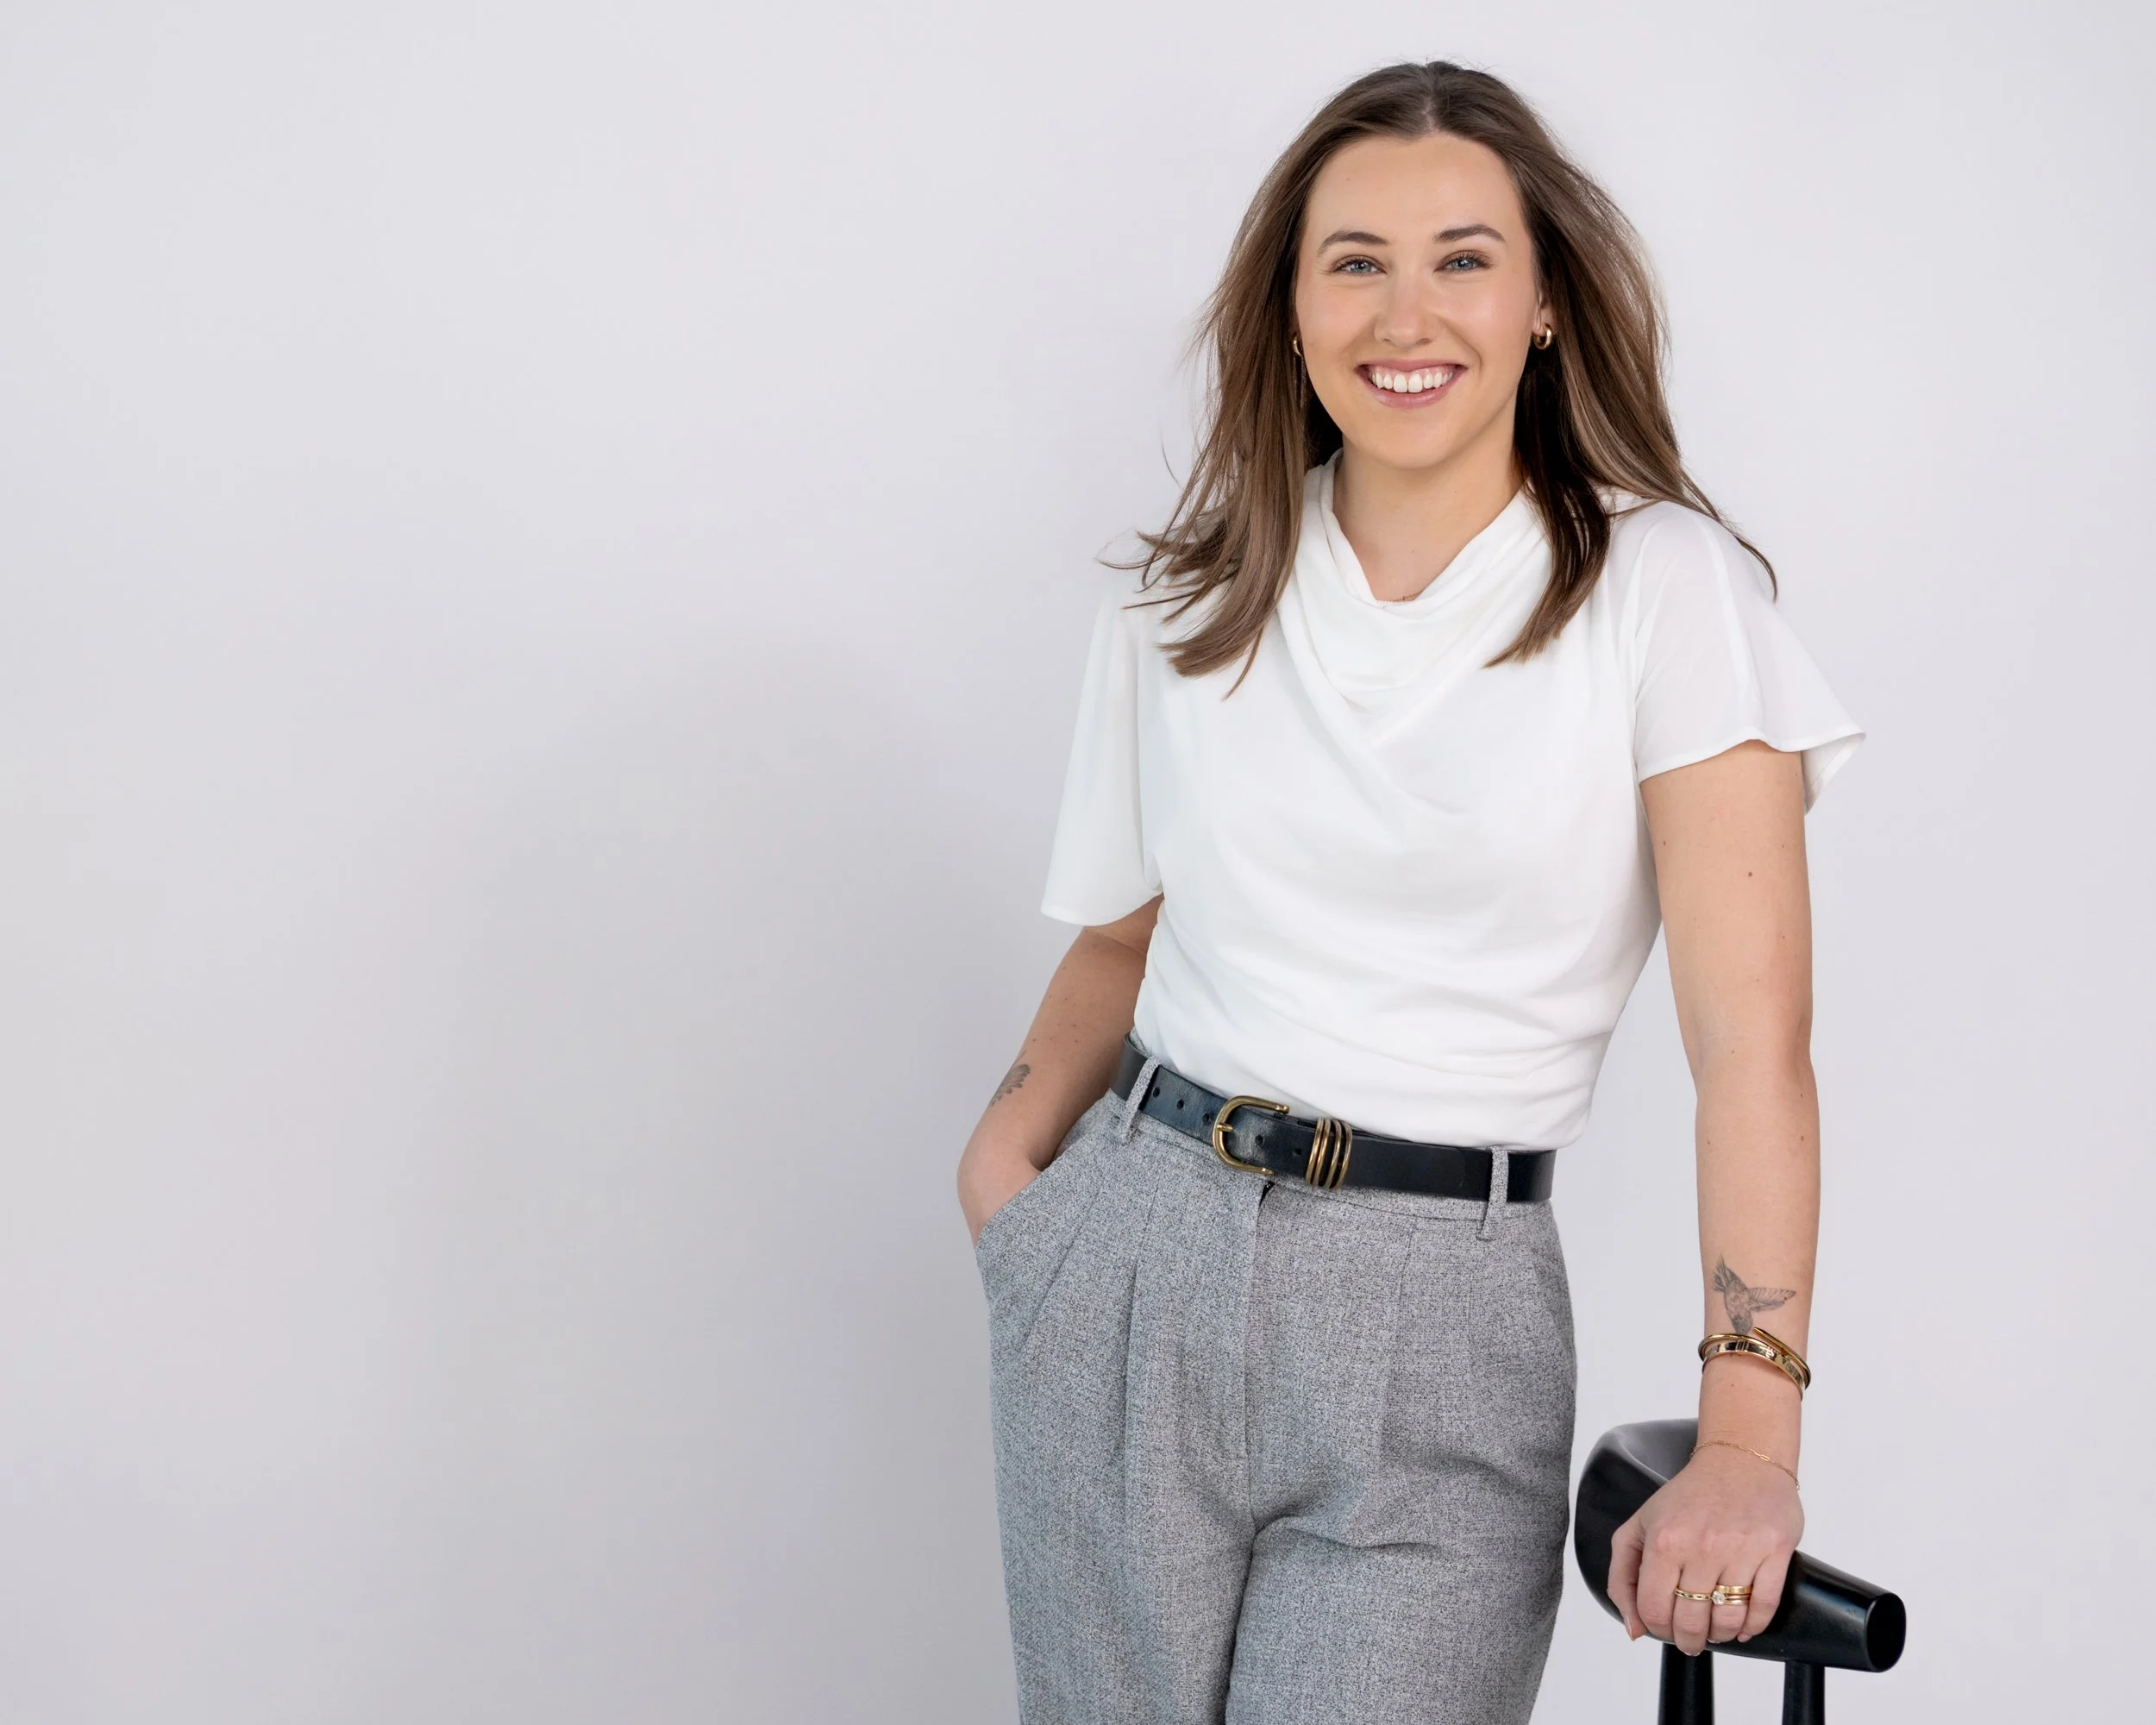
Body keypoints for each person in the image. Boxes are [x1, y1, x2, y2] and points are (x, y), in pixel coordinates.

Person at [954, 59, 1861, 1725]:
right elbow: (1125, 932)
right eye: (1354, 260)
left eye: (1462, 258)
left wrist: (1751, 1438)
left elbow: (1752, 1045)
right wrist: (1012, 1184)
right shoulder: (1196, 592)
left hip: (1442, 1312)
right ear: (1293, 309)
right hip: (1131, 1263)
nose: (1405, 311)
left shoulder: (1663, 593)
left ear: (1544, 305)